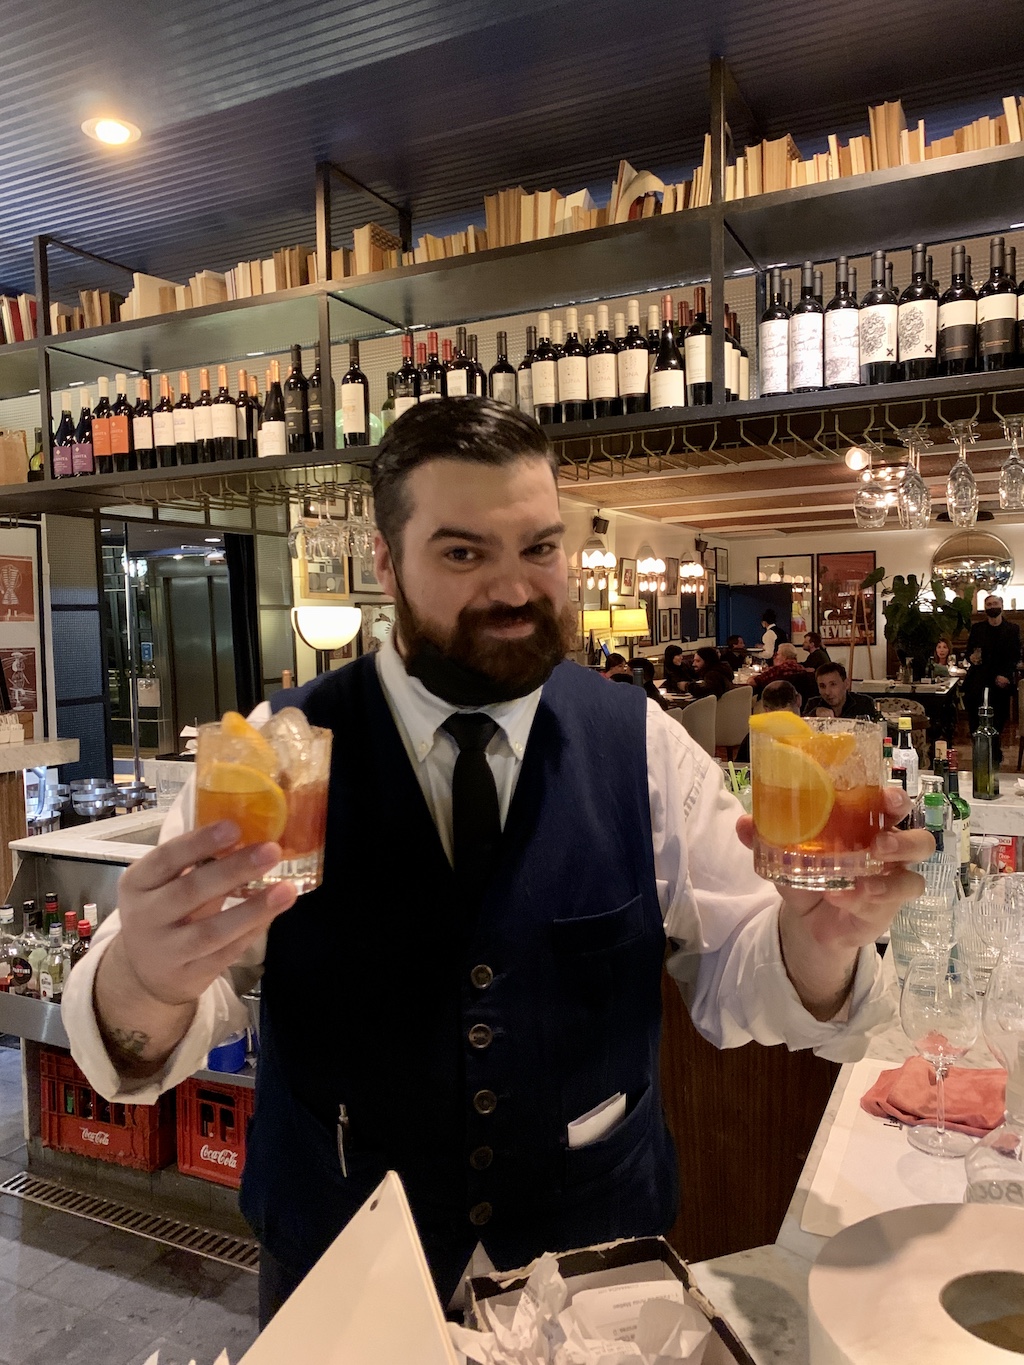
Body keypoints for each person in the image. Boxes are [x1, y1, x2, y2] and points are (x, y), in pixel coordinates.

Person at [63, 398, 928, 1324]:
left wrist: (819, 944)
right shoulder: (280, 750)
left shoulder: (639, 743)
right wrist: (145, 980)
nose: (516, 588)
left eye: (539, 548)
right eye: (463, 553)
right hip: (342, 1274)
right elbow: (151, 1024)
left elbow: (737, 969)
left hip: (595, 1271)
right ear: (385, 563)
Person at [963, 595, 1021, 765]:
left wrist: (1006, 675)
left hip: (1000, 681)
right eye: (988, 604)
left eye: (995, 603)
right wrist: (971, 657)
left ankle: (994, 753)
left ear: (1001, 605)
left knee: (998, 719)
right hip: (979, 679)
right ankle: (980, 751)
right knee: (975, 718)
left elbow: (1015, 656)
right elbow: (969, 651)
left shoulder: (1012, 629)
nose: (992, 606)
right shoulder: (978, 629)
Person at [804, 661, 879, 720]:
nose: (827, 692)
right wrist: (814, 714)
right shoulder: (813, 704)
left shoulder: (864, 703)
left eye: (833, 684)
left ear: (846, 684)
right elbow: (801, 729)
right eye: (822, 686)